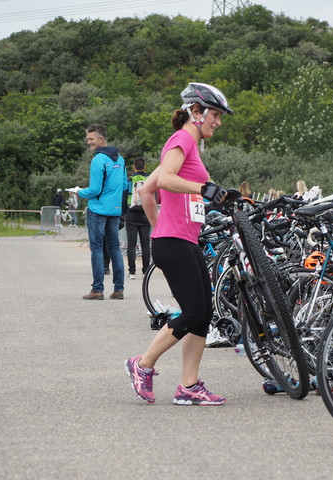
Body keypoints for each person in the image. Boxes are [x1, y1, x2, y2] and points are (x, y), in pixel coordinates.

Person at [124, 82, 233, 406]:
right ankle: (142, 364)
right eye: (215, 114)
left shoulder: (189, 146)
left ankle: (189, 385)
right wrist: (202, 189)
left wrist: (161, 226)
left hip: (180, 239)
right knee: (194, 311)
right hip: (174, 242)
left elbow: (147, 190)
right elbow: (168, 179)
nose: (219, 121)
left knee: (202, 313)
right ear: (196, 112)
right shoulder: (182, 139)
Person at [77, 123, 127, 300]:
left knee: (97, 248)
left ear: (101, 139)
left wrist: (79, 192)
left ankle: (97, 290)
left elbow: (95, 189)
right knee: (114, 248)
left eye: (91, 139)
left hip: (98, 210)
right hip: (114, 210)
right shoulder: (119, 159)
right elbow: (124, 185)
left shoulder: (98, 159)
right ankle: (119, 289)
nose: (88, 142)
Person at [125, 156, 151, 279]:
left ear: (134, 167)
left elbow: (124, 195)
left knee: (131, 244)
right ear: (144, 166)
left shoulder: (129, 180)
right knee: (145, 245)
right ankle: (146, 270)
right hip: (145, 213)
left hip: (131, 213)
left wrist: (124, 212)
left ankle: (132, 272)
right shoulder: (149, 179)